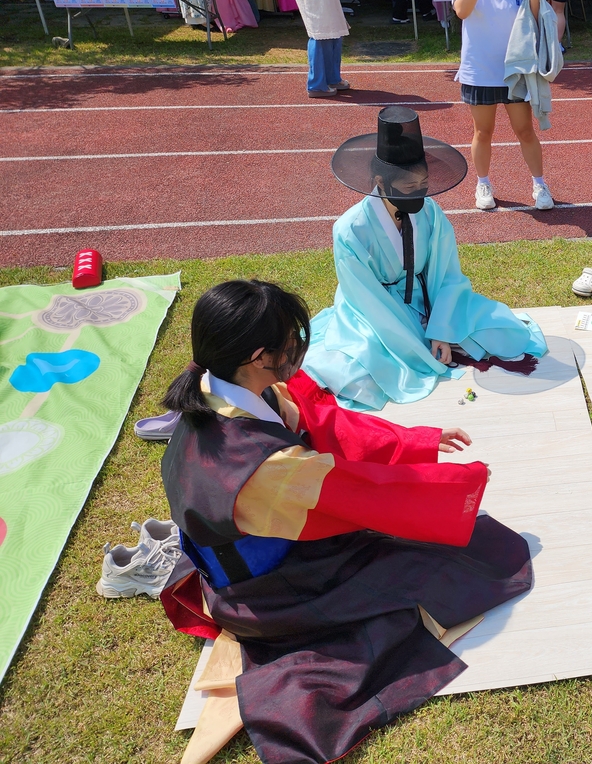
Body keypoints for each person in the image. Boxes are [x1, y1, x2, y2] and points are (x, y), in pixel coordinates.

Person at [156, 279, 531, 764]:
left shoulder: (219, 389)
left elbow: (328, 426)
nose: (296, 349)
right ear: (255, 356)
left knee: (415, 550)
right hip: (264, 592)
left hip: (258, 548)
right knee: (443, 565)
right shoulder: (262, 464)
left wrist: (417, 441)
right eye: (288, 342)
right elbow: (357, 493)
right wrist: (454, 487)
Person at [302, 106, 549, 409]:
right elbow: (365, 299)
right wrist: (415, 340)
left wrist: (441, 329)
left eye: (422, 186)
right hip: (376, 312)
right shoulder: (350, 230)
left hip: (428, 299)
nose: (418, 195)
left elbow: (447, 275)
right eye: (408, 188)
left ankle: (436, 335)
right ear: (381, 181)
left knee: (507, 334)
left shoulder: (430, 212)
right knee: (359, 377)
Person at [453, 0, 555, 212]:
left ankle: (540, 185)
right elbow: (462, 11)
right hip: (479, 67)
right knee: (483, 132)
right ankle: (483, 184)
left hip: (516, 66)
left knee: (525, 130)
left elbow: (535, 17)